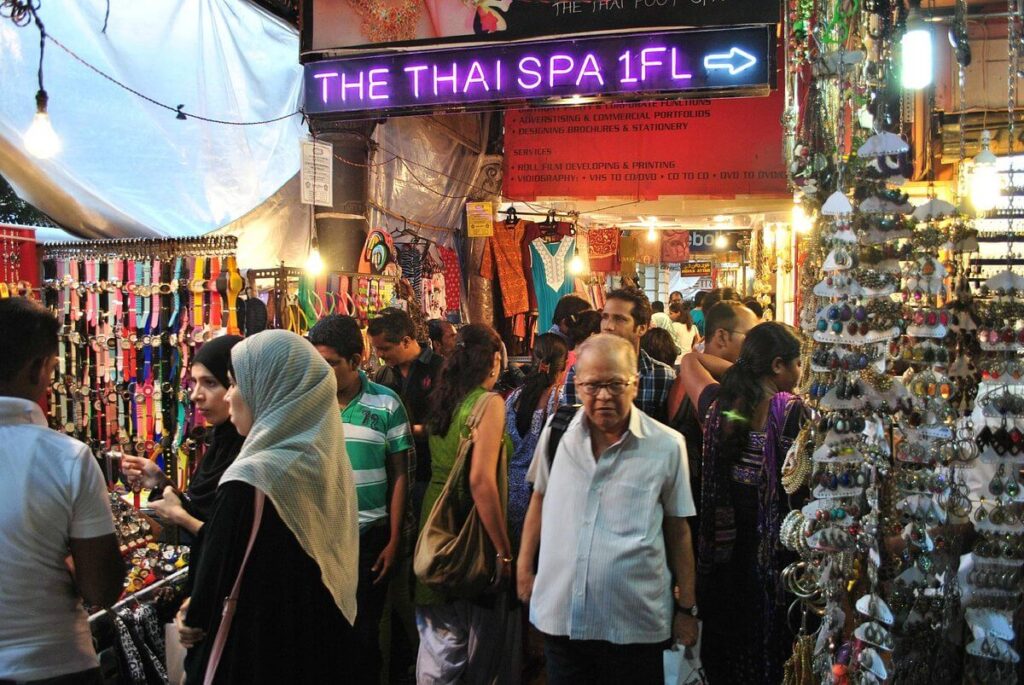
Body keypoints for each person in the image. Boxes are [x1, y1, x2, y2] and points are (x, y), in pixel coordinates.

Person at [180, 330, 359, 683]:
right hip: (317, 643)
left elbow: (212, 584)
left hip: (257, 651)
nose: (229, 396)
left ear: (269, 388)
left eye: (235, 383)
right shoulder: (319, 461)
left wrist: (191, 614)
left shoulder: (250, 478)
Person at [517, 334, 698, 685]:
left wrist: (686, 607)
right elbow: (538, 500)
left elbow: (678, 531)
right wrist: (524, 570)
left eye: (615, 384)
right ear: (577, 385)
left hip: (635, 625)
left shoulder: (667, 445)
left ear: (635, 384)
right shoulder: (557, 433)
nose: (603, 396)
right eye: (592, 385)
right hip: (563, 618)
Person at [0, 298, 123, 684]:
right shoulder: (66, 458)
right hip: (53, 662)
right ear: (39, 368)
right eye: (53, 368)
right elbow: (101, 587)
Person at [682, 322, 806, 684]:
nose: (801, 373)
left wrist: (744, 369)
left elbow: (690, 360)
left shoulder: (721, 408)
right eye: (798, 363)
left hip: (726, 557)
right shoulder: (793, 413)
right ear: (778, 365)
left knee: (730, 648)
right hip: (776, 561)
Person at [310, 315, 413, 685]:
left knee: (365, 633)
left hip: (370, 538)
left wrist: (394, 538)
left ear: (356, 360)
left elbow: (399, 473)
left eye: (331, 363)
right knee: (323, 633)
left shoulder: (386, 404)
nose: (322, 372)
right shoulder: (308, 405)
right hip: (320, 539)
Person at [415, 324, 520, 683]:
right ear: (493, 361)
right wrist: (503, 551)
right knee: (478, 647)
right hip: (472, 525)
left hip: (436, 520)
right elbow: (480, 481)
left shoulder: (445, 398)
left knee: (439, 646)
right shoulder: (489, 403)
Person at [123, 335, 245, 541]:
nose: (196, 395)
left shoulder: (251, 454)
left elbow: (234, 543)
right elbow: (204, 516)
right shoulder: (221, 445)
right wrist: (161, 482)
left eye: (210, 383)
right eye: (194, 382)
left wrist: (182, 518)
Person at [667, 301, 759, 519]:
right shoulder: (694, 383)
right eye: (750, 338)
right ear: (722, 337)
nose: (755, 348)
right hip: (699, 510)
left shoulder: (695, 375)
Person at [369, 308, 444, 524]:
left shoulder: (439, 369)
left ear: (406, 341)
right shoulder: (383, 374)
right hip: (391, 472)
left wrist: (408, 432)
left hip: (426, 472)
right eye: (376, 349)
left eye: (384, 348)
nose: (380, 355)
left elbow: (448, 423)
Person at [562, 288, 675, 424]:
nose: (608, 326)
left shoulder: (662, 376)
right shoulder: (579, 372)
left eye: (620, 319)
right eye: (605, 317)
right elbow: (573, 428)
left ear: (642, 328)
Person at [504, 333, 568, 544]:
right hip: (543, 496)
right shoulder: (561, 400)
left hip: (511, 494)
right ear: (563, 365)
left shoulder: (515, 396)